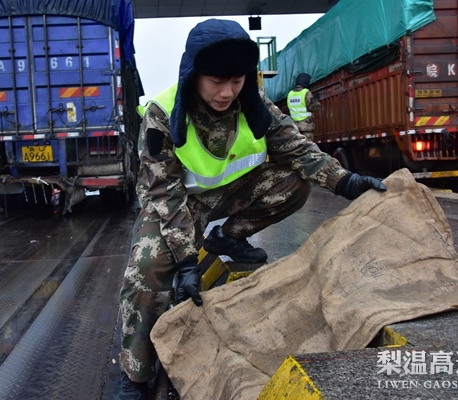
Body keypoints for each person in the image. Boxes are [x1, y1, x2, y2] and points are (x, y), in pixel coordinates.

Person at [114, 18, 386, 399]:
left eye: (237, 81)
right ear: (194, 74)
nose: (227, 92)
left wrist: (346, 181)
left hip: (230, 194)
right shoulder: (162, 114)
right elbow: (164, 194)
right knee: (147, 268)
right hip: (179, 204)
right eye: (216, 81)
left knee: (295, 184)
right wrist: (187, 261)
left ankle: (227, 237)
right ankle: (135, 374)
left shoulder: (254, 105)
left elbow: (297, 149)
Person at [286, 72, 320, 141]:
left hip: (295, 128)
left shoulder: (290, 94)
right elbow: (313, 107)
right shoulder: (306, 92)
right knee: (308, 146)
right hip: (306, 127)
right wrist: (316, 100)